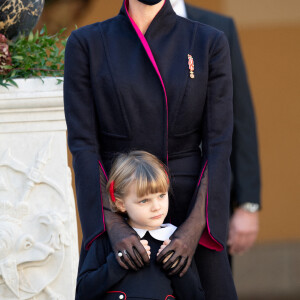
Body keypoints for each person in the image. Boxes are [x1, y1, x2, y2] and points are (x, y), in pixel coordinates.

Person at [64, 0, 237, 298]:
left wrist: (194, 228)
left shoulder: (208, 41)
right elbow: (83, 145)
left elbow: (219, 146)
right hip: (120, 203)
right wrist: (114, 224)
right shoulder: (86, 43)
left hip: (190, 204)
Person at [170, 0, 261, 257]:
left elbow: (240, 117)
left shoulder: (219, 27)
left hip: (212, 202)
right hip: (144, 199)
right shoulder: (121, 32)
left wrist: (248, 205)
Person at [75, 151, 205, 299]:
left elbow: (196, 296)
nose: (157, 207)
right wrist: (117, 264)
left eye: (161, 195)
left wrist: (176, 268)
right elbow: (83, 292)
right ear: (121, 204)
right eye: (144, 200)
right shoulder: (107, 238)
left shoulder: (175, 242)